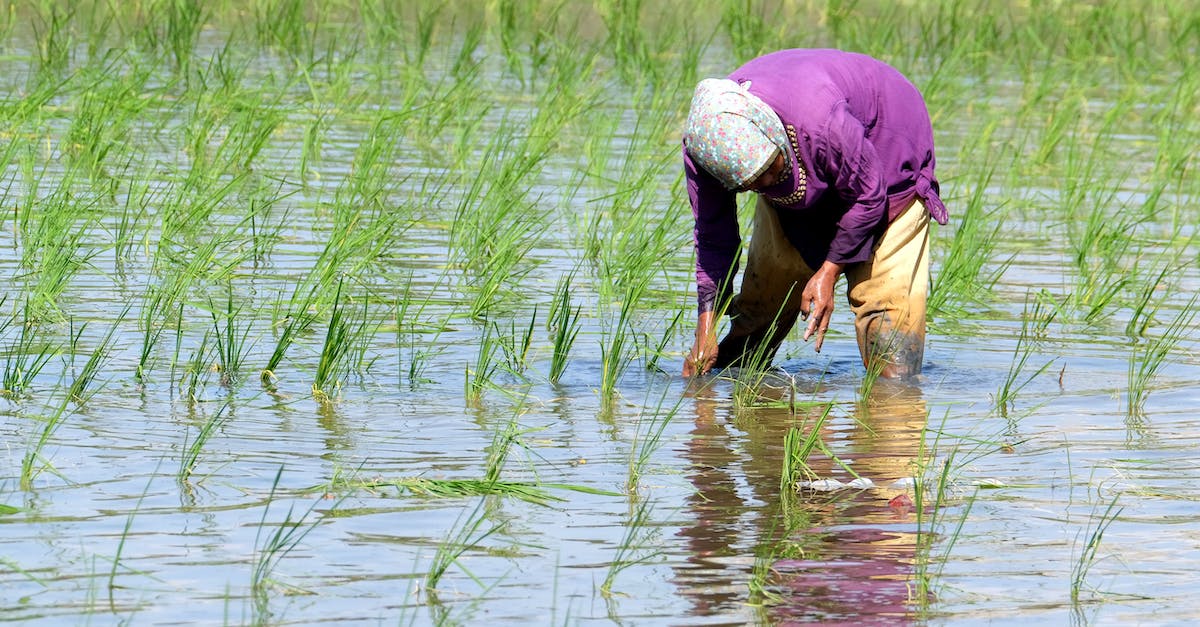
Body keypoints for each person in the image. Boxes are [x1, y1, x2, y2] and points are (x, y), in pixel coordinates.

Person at [681, 48, 948, 379]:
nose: (765, 183)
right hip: (809, 163)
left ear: (773, 135)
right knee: (756, 321)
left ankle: (888, 416)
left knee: (889, 337)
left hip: (886, 162)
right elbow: (713, 236)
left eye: (769, 170)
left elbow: (869, 195)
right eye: (751, 184)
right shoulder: (707, 150)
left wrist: (828, 272)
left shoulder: (822, 120)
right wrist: (705, 327)